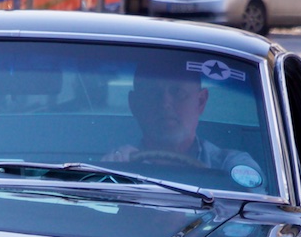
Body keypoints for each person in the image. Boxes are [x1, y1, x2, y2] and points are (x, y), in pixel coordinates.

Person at [103, 60, 267, 189]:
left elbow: (254, 214)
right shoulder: (117, 168)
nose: (165, 103)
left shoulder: (230, 166)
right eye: (153, 94)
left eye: (178, 93)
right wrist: (113, 171)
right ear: (135, 104)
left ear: (201, 102)